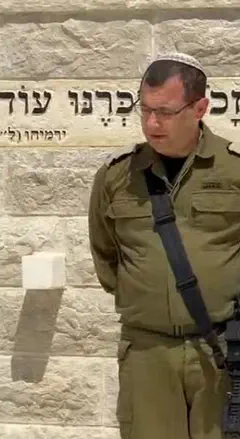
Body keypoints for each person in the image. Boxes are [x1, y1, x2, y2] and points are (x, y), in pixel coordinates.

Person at [88, 52, 240, 439]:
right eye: (145, 109)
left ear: (200, 108)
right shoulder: (117, 176)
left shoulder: (235, 170)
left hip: (220, 351)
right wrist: (150, 299)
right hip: (147, 353)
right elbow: (106, 256)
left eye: (166, 112)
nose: (152, 123)